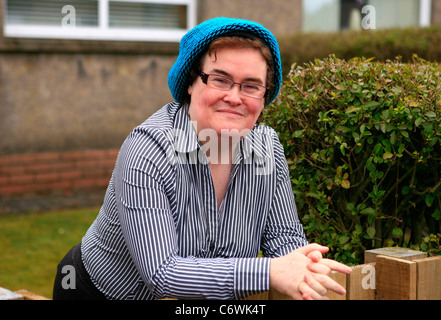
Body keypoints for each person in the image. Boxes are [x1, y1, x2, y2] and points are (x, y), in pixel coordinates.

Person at [53, 17, 351, 300]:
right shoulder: (147, 150)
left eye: (251, 85)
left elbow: (283, 235)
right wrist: (270, 271)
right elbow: (162, 273)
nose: (235, 97)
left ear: (264, 96)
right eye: (221, 80)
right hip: (101, 293)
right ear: (191, 83)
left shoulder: (267, 147)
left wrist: (304, 268)